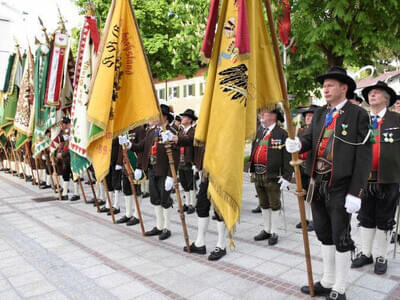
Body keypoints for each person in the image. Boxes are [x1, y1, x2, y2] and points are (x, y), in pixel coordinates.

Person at [286, 66, 372, 300]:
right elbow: (309, 138)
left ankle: (340, 287)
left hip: (341, 186)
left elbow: (364, 157)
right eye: (324, 85)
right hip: (317, 184)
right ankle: (327, 279)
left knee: (340, 235)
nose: (325, 88)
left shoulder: (358, 115)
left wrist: (356, 192)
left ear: (344, 88)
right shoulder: (321, 112)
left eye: (330, 85)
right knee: (323, 233)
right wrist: (299, 145)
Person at [351, 81, 400, 275]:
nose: (372, 95)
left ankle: (381, 256)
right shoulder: (361, 120)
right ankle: (366, 253)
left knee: (384, 219)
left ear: (386, 99)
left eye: (377, 93)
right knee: (365, 217)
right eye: (370, 93)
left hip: (389, 178)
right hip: (363, 178)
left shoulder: (397, 120)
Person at [130, 105, 179, 240]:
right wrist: (129, 145)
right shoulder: (152, 132)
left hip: (164, 171)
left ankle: (167, 227)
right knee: (155, 198)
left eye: (156, 115)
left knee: (165, 199)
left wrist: (171, 175)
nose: (153, 118)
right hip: (152, 169)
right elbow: (142, 148)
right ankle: (159, 225)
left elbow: (174, 156)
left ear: (164, 117)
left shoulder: (171, 132)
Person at [249, 108, 292, 246]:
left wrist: (286, 176)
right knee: (263, 203)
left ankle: (274, 231)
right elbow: (253, 150)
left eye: (265, 113)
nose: (262, 115)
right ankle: (266, 229)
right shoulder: (260, 132)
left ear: (274, 116)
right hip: (258, 173)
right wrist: (251, 167)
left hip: (273, 175)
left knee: (274, 204)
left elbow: (287, 156)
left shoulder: (282, 134)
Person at [183, 143, 228, 261]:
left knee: (219, 210)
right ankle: (200, 243)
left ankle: (221, 245)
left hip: (220, 172)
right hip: (206, 173)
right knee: (201, 207)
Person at [296, 105, 320, 231]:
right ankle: (305, 219)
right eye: (307, 116)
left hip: (312, 166)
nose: (308, 118)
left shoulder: (318, 131)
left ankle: (314, 220)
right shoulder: (300, 131)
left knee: (312, 195)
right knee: (303, 194)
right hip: (301, 166)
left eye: (311, 116)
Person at [172, 109, 197, 214]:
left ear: (190, 119)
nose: (182, 118)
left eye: (184, 117)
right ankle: (186, 203)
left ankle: (193, 203)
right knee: (184, 182)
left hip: (189, 160)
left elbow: (189, 140)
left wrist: (177, 139)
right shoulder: (181, 131)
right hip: (181, 160)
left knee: (191, 183)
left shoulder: (193, 131)